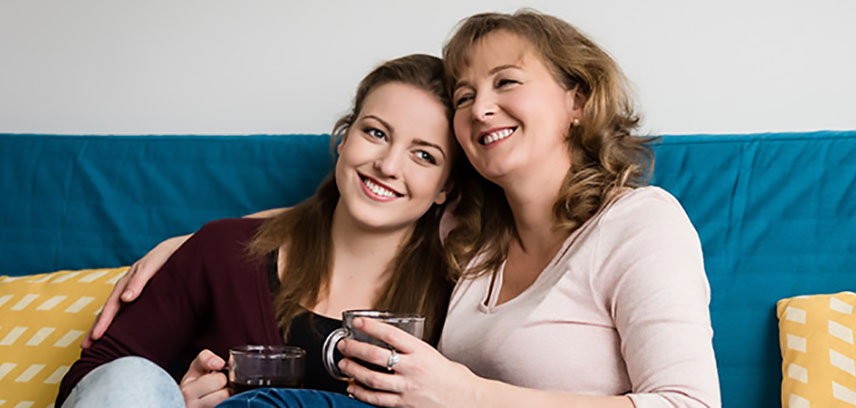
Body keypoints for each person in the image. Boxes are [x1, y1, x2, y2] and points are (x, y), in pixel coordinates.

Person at [88, 9, 721, 408]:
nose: (482, 108)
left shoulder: (636, 223)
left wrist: (469, 395)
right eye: (468, 94)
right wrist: (198, 242)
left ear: (577, 99)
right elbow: (372, 197)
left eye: (507, 82)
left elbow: (689, 402)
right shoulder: (477, 245)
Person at [57, 53, 480, 408]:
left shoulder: (462, 295)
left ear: (447, 187)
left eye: (423, 155)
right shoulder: (224, 251)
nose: (388, 166)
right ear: (343, 138)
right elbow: (93, 379)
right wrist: (175, 398)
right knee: (133, 380)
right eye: (375, 133)